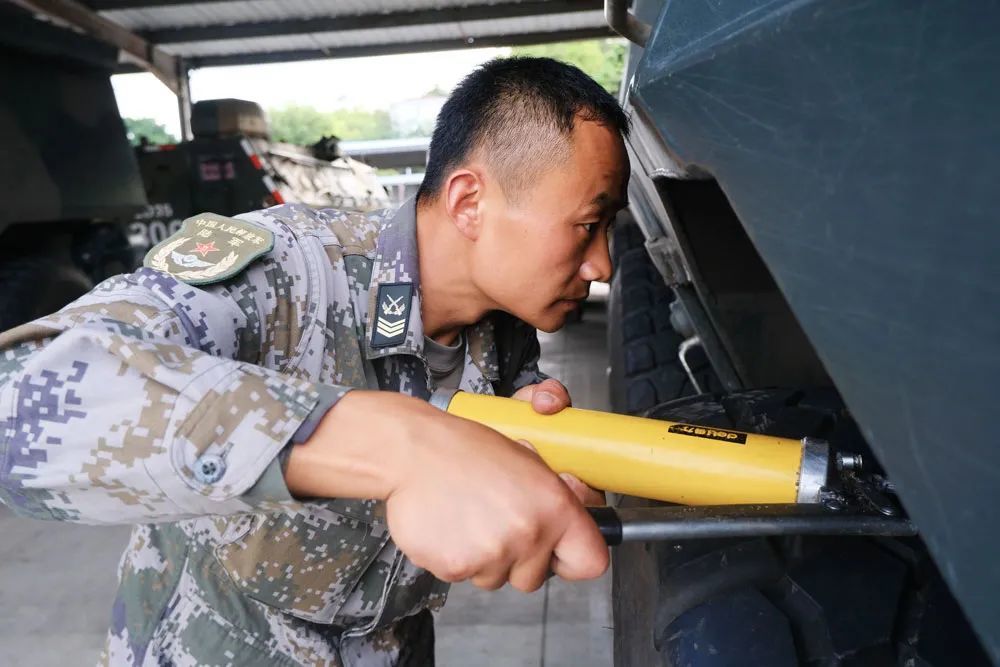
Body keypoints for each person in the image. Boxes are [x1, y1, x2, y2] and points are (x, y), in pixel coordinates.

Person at [0, 57, 630, 666]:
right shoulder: (287, 268)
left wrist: (539, 472)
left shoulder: (507, 326)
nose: (602, 265)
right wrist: (400, 446)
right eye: (586, 225)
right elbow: (22, 391)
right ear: (468, 202)